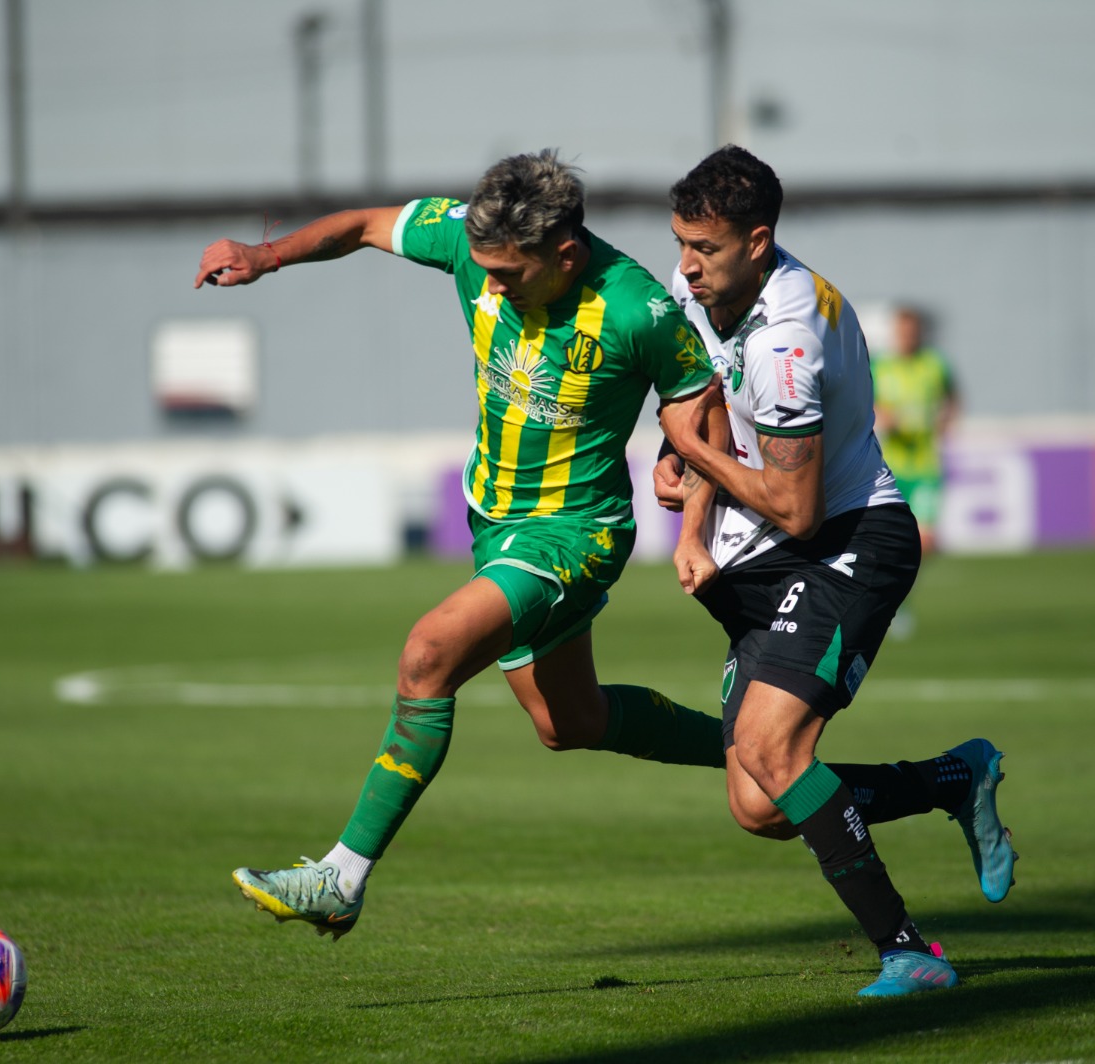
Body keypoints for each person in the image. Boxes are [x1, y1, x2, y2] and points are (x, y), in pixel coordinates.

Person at [193, 149, 727, 940]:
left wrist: (692, 523)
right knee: (569, 722)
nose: (492, 287)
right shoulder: (470, 248)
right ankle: (762, 754)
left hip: (573, 535)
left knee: (427, 653)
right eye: (484, 271)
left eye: (510, 274)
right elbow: (368, 224)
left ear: (565, 254)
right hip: (496, 527)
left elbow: (700, 403)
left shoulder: (638, 309)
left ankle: (340, 875)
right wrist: (266, 257)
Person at [655, 146, 1014, 998]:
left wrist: (689, 453)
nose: (685, 265)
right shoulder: (700, 290)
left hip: (849, 540)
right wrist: (693, 526)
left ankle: (910, 952)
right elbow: (703, 399)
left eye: (703, 248)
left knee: (770, 749)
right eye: (680, 243)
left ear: (758, 240)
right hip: (766, 551)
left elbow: (794, 506)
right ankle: (953, 779)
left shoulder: (788, 340)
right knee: (760, 803)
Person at [872, 305, 959, 558]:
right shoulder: (880, 366)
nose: (907, 336)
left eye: (911, 331)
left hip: (925, 466)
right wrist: (881, 415)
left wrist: (947, 420)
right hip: (890, 467)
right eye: (902, 331)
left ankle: (905, 587)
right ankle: (900, 594)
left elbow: (952, 396)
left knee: (925, 542)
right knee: (891, 539)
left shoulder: (934, 364)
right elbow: (864, 403)